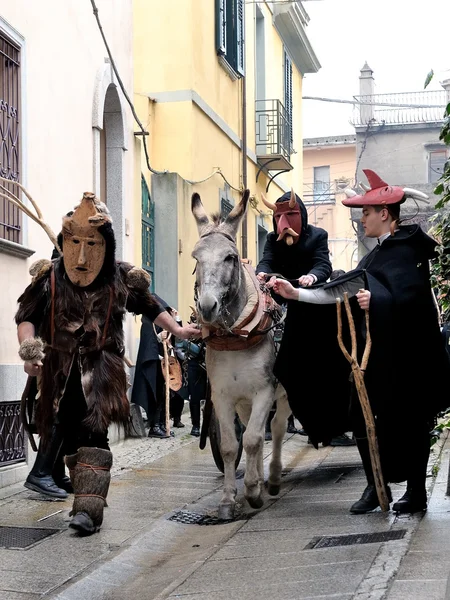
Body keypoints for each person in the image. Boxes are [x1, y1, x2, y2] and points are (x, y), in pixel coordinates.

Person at [16, 193, 199, 535]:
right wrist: (29, 350)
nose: (83, 255)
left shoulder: (120, 276)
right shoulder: (50, 277)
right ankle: (72, 488)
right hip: (59, 373)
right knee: (69, 437)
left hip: (101, 373)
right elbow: (26, 316)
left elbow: (150, 304)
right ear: (65, 242)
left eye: (92, 243)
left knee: (95, 436)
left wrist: (176, 328)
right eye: (75, 242)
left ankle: (88, 512)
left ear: (106, 244)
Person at [271, 169, 450, 514]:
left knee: (413, 422)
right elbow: (342, 291)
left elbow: (413, 302)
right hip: (376, 359)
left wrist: (378, 300)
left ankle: (416, 493)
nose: (362, 219)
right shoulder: (373, 256)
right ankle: (375, 486)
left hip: (409, 359)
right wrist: (297, 293)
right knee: (362, 416)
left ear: (385, 214)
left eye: (366, 212)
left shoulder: (409, 251)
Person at [256, 189, 347, 445]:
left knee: (322, 363)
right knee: (286, 368)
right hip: (281, 299)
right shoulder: (272, 239)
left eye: (291, 215)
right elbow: (266, 261)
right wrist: (262, 274)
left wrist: (312, 277)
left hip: (312, 305)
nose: (284, 223)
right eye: (280, 216)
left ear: (301, 215)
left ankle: (327, 425)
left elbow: (323, 264)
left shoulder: (318, 235)